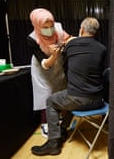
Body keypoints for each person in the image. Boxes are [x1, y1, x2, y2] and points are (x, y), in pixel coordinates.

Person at [31, 17, 107, 156]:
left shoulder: (71, 45)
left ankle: (53, 143)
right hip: (98, 101)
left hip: (78, 100)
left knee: (51, 101)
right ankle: (63, 130)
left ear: (82, 30)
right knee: (69, 99)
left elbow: (61, 59)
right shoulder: (102, 49)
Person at [27, 8, 71, 138]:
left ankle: (59, 120)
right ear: (37, 25)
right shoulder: (32, 39)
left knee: (60, 91)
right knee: (45, 95)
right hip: (42, 67)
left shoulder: (58, 28)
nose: (50, 29)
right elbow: (44, 64)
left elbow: (68, 39)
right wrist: (53, 55)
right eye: (45, 27)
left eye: (51, 26)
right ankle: (45, 124)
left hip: (57, 65)